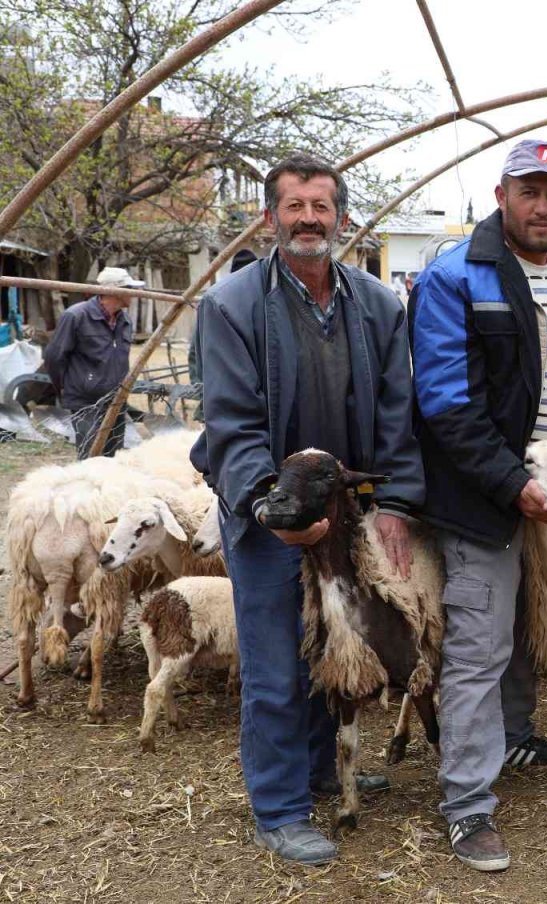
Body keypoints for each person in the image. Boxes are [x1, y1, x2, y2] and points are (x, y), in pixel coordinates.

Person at [190, 153, 424, 866]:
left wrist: (395, 502)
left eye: (321, 206)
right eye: (294, 206)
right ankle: (281, 806)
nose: (308, 219)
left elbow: (396, 414)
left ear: (342, 218)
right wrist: (273, 507)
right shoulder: (229, 307)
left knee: (336, 643)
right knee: (275, 660)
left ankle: (321, 772)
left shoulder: (379, 305)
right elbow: (230, 420)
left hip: (345, 512)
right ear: (270, 218)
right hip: (267, 507)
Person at [412, 138, 547, 872]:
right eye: (529, 191)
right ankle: (468, 806)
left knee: (533, 621)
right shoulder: (457, 276)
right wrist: (512, 484)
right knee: (480, 642)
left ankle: (517, 737)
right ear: (501, 195)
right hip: (485, 495)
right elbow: (445, 402)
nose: (543, 206)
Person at [43, 266, 141, 458]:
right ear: (114, 291)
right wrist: (66, 387)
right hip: (85, 400)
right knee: (90, 456)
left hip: (115, 399)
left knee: (113, 455)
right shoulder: (76, 316)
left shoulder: (125, 320)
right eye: (129, 288)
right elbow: (54, 357)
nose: (135, 293)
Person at [189, 248, 257, 422]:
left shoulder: (264, 305)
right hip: (222, 396)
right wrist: (203, 390)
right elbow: (196, 353)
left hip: (254, 399)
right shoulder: (217, 303)